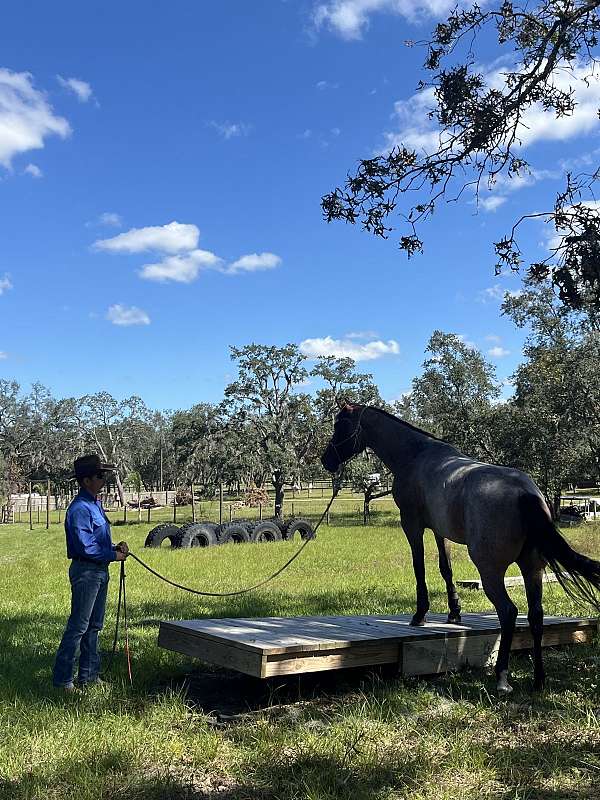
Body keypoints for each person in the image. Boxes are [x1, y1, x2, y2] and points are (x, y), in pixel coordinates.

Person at [52, 454, 129, 691]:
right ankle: (63, 680)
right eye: (99, 475)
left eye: (104, 475)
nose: (104, 479)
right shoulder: (79, 509)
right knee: (78, 627)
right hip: (86, 572)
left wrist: (114, 548)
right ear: (86, 480)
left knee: (94, 626)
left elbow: (96, 541)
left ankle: (89, 677)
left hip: (99, 571)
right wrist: (112, 555)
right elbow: (85, 547)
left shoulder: (95, 504)